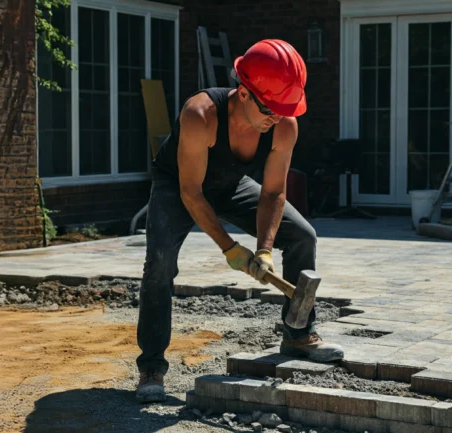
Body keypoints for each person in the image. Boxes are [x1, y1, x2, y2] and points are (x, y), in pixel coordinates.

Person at [134, 39, 345, 403]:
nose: (277, 116)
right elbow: (191, 193)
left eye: (284, 108)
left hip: (232, 184)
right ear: (244, 93)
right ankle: (152, 366)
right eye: (271, 108)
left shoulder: (283, 124)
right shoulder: (200, 115)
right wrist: (231, 248)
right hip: (181, 185)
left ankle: (297, 334)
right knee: (160, 261)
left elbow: (273, 193)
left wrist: (263, 250)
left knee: (303, 237)